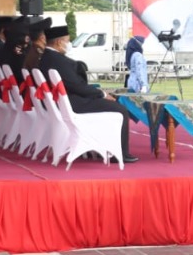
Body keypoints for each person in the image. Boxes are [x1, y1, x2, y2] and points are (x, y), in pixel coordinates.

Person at [41, 25, 138, 164]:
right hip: (73, 103)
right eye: (67, 41)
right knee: (119, 109)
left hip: (63, 101)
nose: (68, 44)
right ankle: (119, 153)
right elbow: (78, 87)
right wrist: (101, 94)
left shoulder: (45, 57)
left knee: (110, 106)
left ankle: (102, 147)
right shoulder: (59, 61)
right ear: (58, 42)